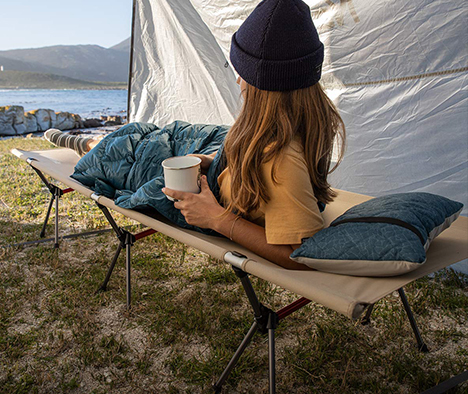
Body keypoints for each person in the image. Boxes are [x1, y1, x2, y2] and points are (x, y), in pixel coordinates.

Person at [45, 0, 345, 270]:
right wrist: (210, 160)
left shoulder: (282, 161)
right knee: (148, 136)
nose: (238, 79)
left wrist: (217, 219)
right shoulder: (299, 124)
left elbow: (301, 256)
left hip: (214, 185)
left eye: (242, 71)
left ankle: (82, 143)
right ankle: (87, 142)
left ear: (263, 84)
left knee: (127, 146)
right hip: (220, 155)